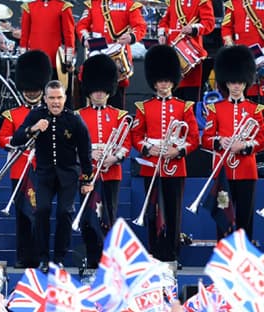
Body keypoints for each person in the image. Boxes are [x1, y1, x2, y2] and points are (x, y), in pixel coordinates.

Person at [11, 80, 94, 273]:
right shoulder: (36, 115)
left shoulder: (74, 119)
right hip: (44, 174)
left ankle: (59, 258)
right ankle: (43, 258)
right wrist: (33, 128)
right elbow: (16, 139)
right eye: (51, 98)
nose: (55, 102)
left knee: (65, 212)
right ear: (45, 98)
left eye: (59, 98)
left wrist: (87, 179)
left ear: (65, 98)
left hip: (68, 175)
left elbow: (85, 151)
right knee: (41, 210)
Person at [131, 45, 199, 268]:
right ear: (154, 81)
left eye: (167, 80)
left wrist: (177, 151)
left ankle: (171, 254)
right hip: (151, 165)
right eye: (160, 81)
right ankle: (155, 252)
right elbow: (137, 135)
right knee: (153, 212)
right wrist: (147, 149)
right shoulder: (144, 106)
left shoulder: (184, 107)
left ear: (173, 81)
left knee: (173, 211)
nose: (163, 84)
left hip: (175, 165)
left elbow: (194, 138)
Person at [201, 45, 264, 241]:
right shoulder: (215, 109)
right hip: (224, 173)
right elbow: (206, 138)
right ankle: (224, 256)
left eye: (240, 82)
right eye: (232, 82)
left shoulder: (256, 109)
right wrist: (221, 141)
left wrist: (244, 146)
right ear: (226, 83)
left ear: (246, 82)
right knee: (223, 217)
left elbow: (261, 139)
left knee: (245, 218)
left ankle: (244, 259)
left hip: (247, 171)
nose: (236, 86)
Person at [76, 54, 132, 268]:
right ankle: (92, 259)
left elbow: (126, 143)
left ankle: (108, 261)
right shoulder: (78, 115)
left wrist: (114, 157)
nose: (99, 94)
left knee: (108, 215)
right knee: (88, 217)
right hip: (87, 173)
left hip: (111, 172)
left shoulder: (120, 116)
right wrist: (89, 155)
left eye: (102, 89)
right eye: (95, 89)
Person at [0, 50, 52, 269]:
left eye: (35, 89)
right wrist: (17, 143)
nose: (31, 93)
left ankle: (41, 256)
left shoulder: (50, 113)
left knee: (41, 215)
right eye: (28, 90)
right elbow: (3, 138)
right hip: (19, 170)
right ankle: (24, 257)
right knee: (22, 217)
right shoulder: (13, 114)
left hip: (43, 171)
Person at [75, 0, 147, 109]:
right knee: (93, 92)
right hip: (97, 51)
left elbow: (140, 26)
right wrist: (85, 38)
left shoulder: (129, 5)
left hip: (117, 54)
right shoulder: (93, 4)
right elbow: (81, 26)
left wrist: (131, 36)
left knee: (116, 96)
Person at [19, 0, 75, 107]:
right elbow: (24, 36)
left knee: (58, 97)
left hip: (56, 62)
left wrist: (68, 59)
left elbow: (69, 34)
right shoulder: (29, 7)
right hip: (35, 62)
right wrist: (24, 59)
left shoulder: (63, 6)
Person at [157, 0, 215, 103]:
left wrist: (193, 28)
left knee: (191, 97)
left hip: (191, 51)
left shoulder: (202, 1)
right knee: (173, 95)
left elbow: (209, 23)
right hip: (173, 49)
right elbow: (164, 21)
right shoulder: (174, 1)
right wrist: (162, 34)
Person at [221, 0, 264, 102]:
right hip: (241, 53)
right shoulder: (233, 3)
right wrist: (230, 45)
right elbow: (226, 27)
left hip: (261, 51)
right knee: (243, 88)